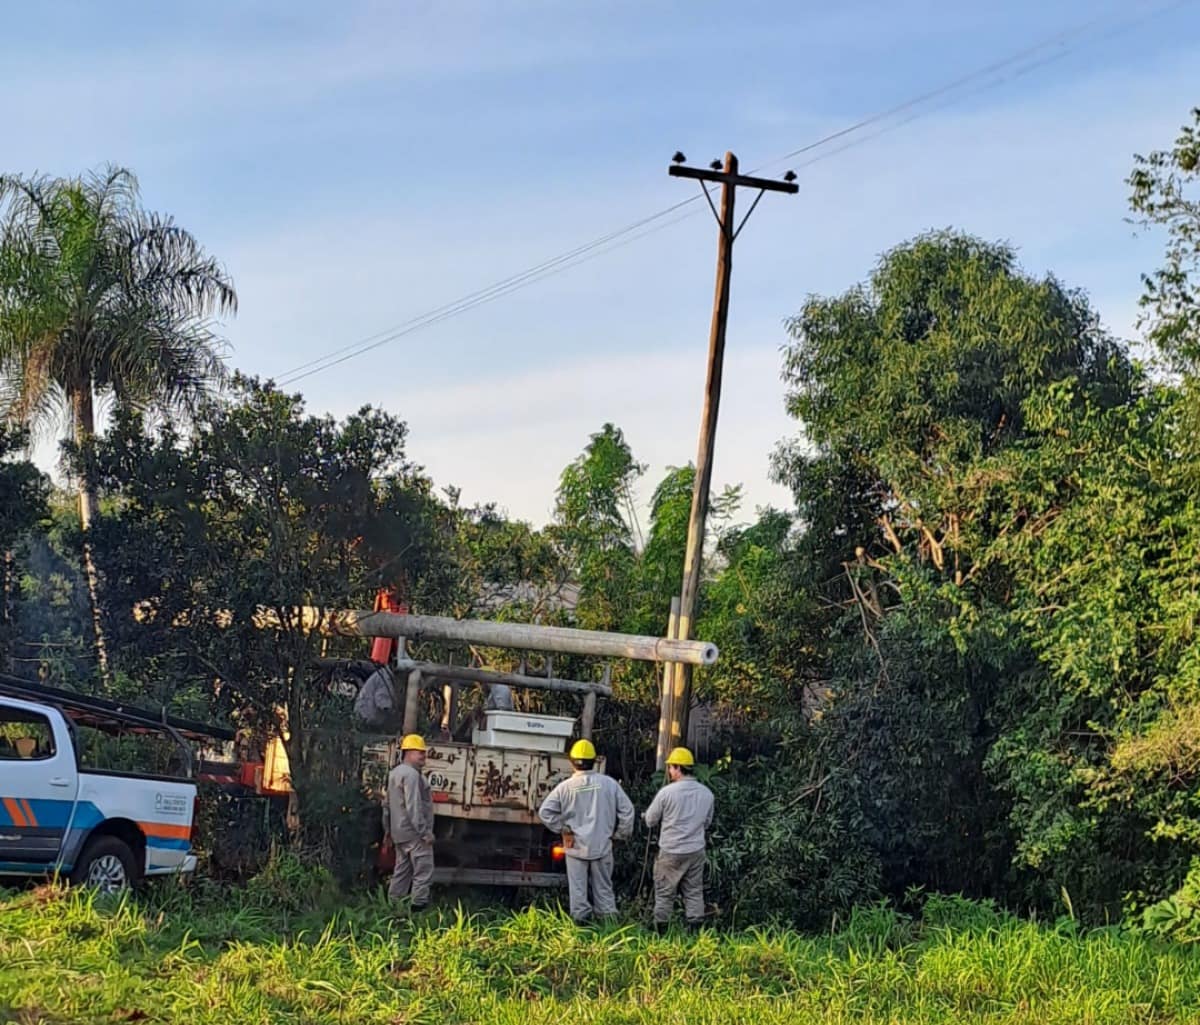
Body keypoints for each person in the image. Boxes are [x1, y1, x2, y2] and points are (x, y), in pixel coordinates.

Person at [538, 738, 635, 924]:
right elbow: (627, 811)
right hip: (602, 846)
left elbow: (545, 812)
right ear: (594, 760)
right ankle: (609, 927)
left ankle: (581, 929)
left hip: (575, 847)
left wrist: (563, 829)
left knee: (578, 892)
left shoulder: (564, 788)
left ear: (572, 761)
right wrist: (620, 835)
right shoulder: (609, 784)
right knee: (604, 891)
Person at [643, 746, 714, 933]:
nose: (669, 771)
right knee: (693, 892)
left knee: (665, 894)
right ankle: (695, 933)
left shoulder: (666, 793)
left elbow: (650, 820)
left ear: (677, 768)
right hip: (696, 851)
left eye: (671, 767)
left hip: (670, 851)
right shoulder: (707, 793)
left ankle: (661, 933)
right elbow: (707, 823)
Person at [382, 733, 435, 908]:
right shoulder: (412, 775)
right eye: (420, 752)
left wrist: (388, 831)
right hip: (414, 834)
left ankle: (393, 907)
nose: (424, 757)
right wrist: (424, 833)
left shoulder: (394, 773)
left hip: (399, 833)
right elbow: (414, 806)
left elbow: (387, 805)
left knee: (401, 872)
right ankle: (418, 908)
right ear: (409, 752)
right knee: (423, 871)